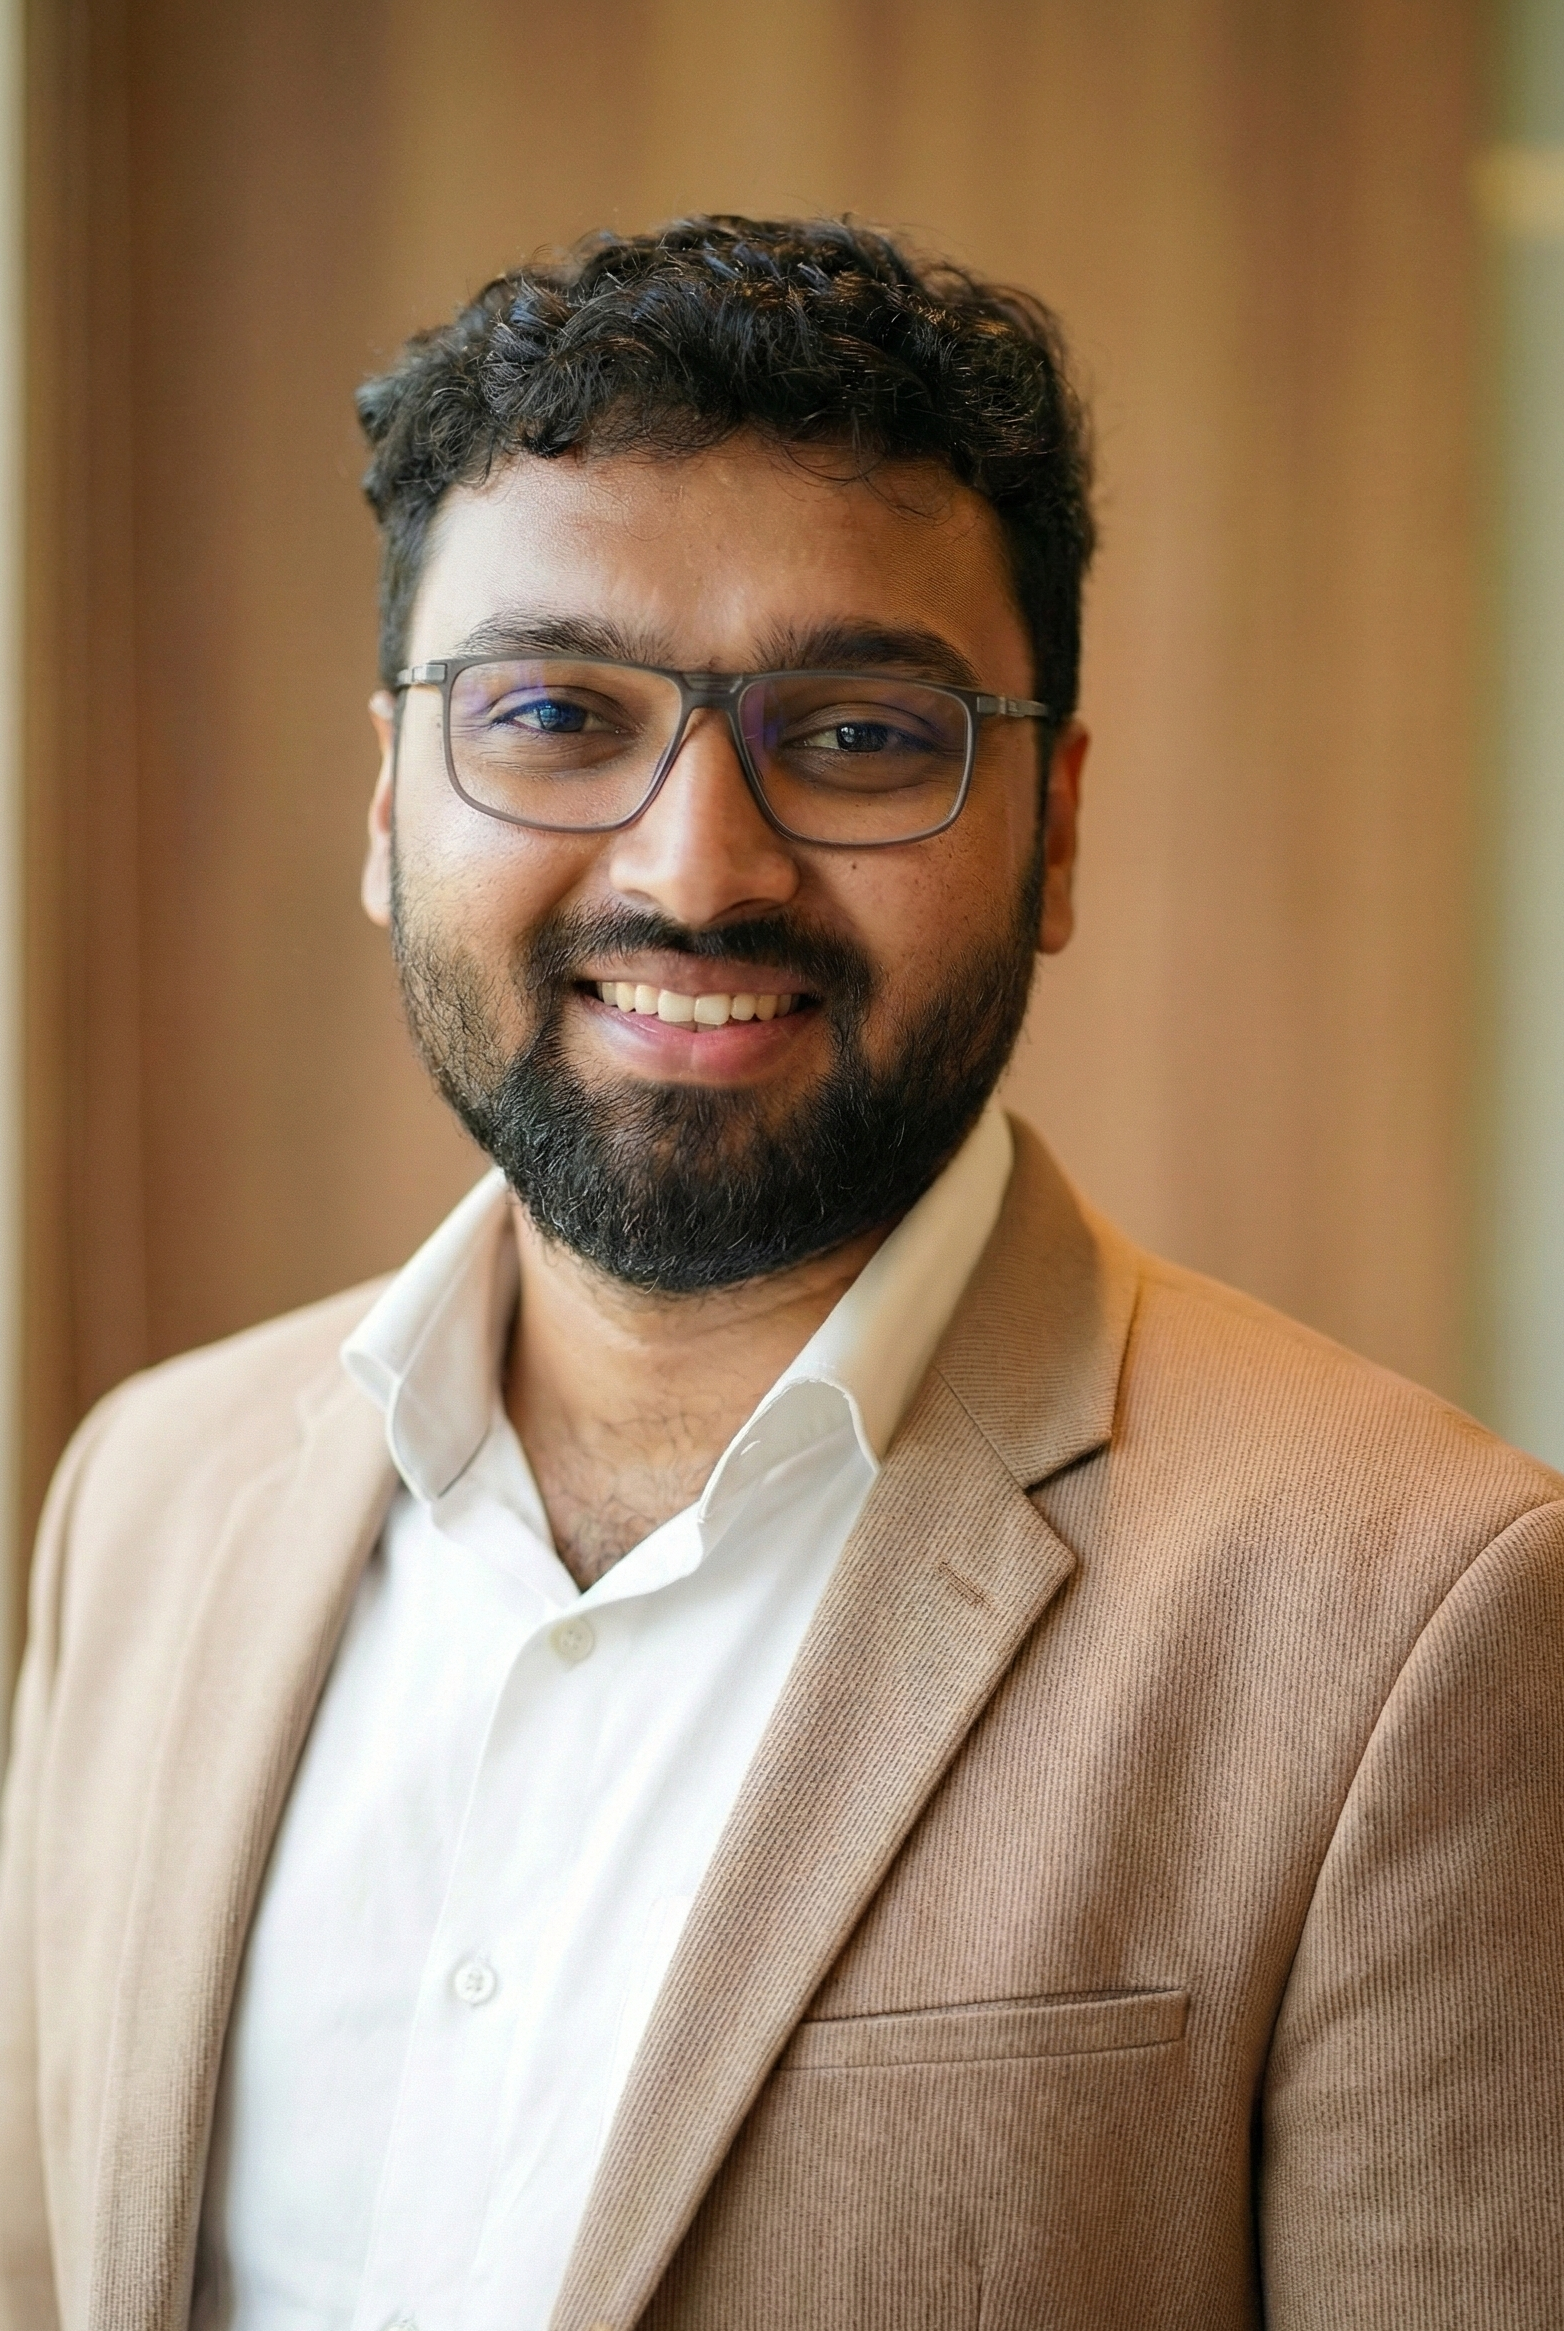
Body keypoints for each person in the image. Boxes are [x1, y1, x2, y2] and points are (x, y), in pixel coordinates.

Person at [1, 215, 1560, 2331]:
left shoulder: (1418, 1617)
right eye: (553, 711)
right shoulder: (146, 1499)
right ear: (386, 802)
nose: (693, 867)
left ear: (1055, 827)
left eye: (853, 738)